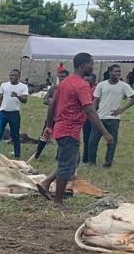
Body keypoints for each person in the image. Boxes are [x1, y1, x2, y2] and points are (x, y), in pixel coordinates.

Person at [36, 52, 113, 206]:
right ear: (82, 65)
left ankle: (46, 183)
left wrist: (50, 126)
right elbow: (90, 110)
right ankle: (58, 201)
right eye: (91, 63)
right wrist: (105, 133)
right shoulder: (81, 85)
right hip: (70, 130)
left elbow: (52, 105)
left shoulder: (65, 82)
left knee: (72, 161)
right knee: (67, 166)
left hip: (60, 128)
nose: (93, 66)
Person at [86, 64, 134, 167]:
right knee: (92, 141)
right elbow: (95, 100)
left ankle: (108, 163)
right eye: (115, 71)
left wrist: (121, 110)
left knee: (111, 142)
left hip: (114, 118)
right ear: (110, 72)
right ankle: (91, 162)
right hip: (100, 117)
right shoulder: (101, 85)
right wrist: (94, 113)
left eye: (119, 72)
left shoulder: (123, 85)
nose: (118, 73)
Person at [31, 68, 69, 161]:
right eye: (60, 77)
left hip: (63, 118)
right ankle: (37, 154)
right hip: (51, 117)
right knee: (44, 136)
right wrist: (53, 102)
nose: (61, 79)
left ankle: (59, 157)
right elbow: (45, 100)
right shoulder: (54, 88)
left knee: (61, 138)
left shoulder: (69, 89)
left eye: (63, 77)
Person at [0, 68, 29, 158]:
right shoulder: (4, 85)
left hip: (14, 114)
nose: (13, 77)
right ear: (9, 76)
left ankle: (17, 156)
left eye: (15, 75)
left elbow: (25, 100)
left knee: (15, 135)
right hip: (3, 113)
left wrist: (17, 96)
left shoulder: (23, 86)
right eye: (11, 75)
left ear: (18, 76)